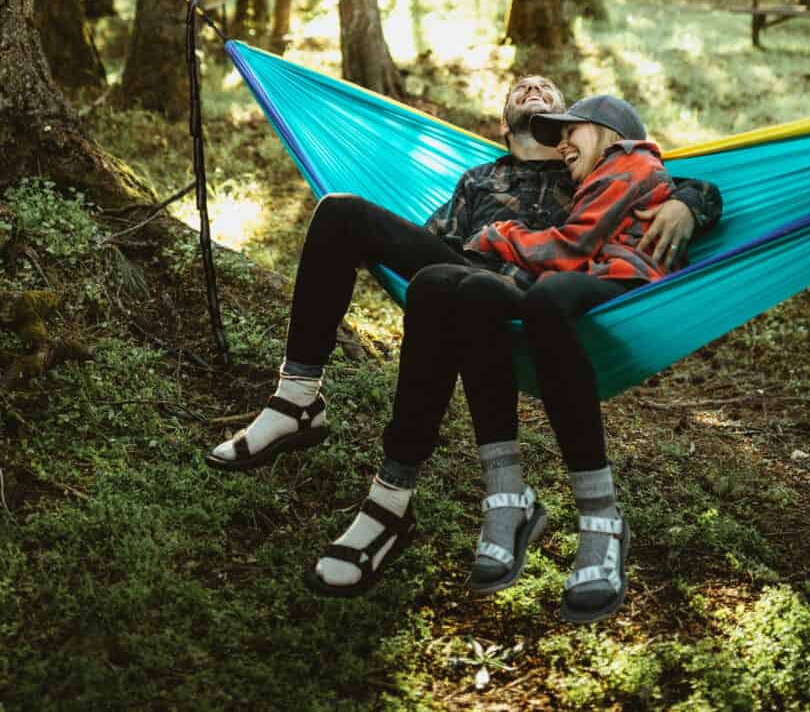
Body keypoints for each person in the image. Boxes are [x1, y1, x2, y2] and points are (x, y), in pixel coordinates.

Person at [207, 78, 721, 616]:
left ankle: (389, 503)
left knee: (452, 290)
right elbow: (438, 245)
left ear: (576, 126)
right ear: (505, 125)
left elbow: (681, 185)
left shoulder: (590, 172)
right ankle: (296, 400)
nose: (533, 87)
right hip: (462, 272)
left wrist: (689, 203)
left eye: (547, 90)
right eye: (521, 88)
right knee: (343, 214)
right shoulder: (479, 177)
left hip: (524, 287)